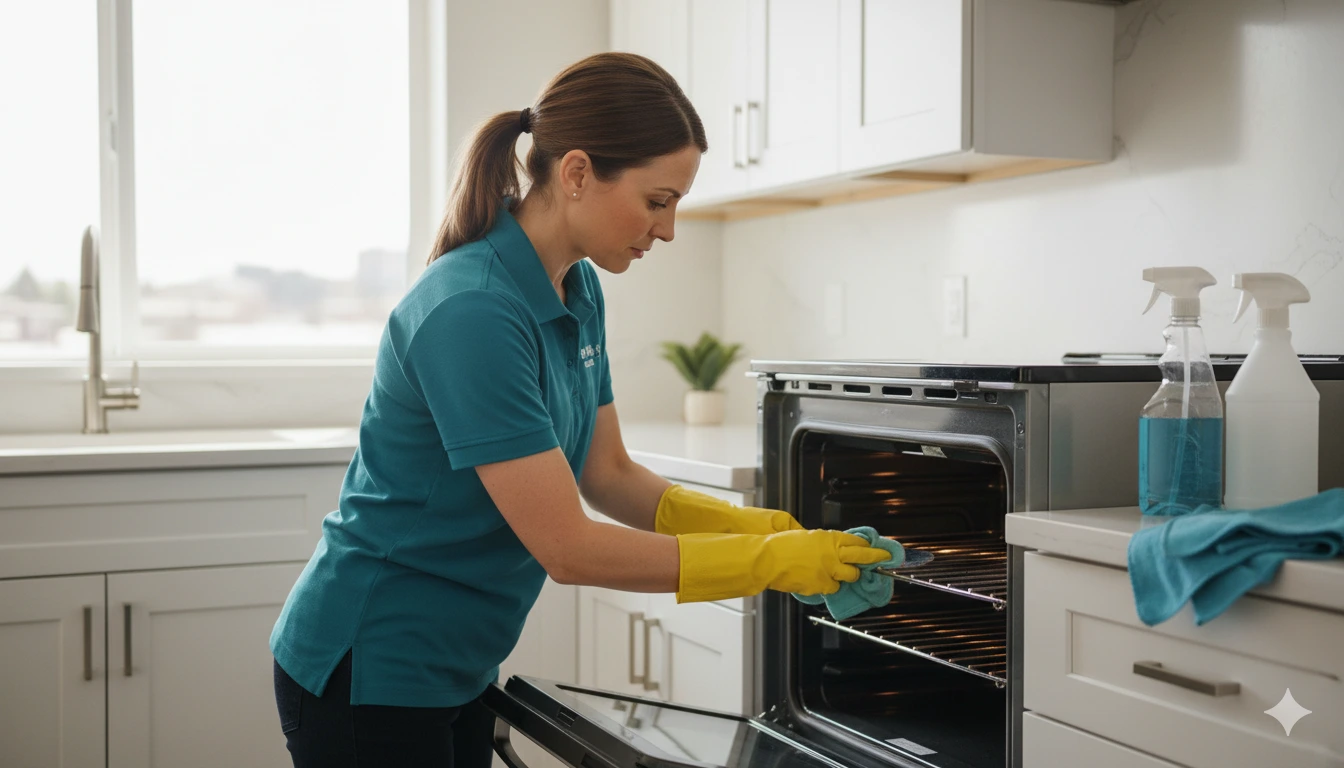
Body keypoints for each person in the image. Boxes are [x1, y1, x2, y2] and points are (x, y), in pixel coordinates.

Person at [269, 51, 889, 768]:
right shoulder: (473, 310)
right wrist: (768, 562)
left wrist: (755, 525)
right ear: (575, 174)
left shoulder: (576, 288)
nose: (668, 229)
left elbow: (609, 473)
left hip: (458, 663)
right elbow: (567, 547)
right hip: (372, 666)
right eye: (658, 200)